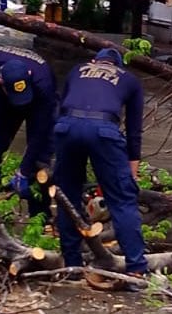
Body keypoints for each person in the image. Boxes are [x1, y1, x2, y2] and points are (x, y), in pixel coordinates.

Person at [52, 48, 147, 288]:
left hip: (66, 128)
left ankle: (71, 266)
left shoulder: (77, 70)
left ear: (94, 61)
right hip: (103, 130)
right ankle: (135, 271)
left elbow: (60, 106)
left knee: (67, 195)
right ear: (118, 66)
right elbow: (134, 132)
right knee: (122, 200)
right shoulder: (129, 80)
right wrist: (132, 172)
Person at [0, 46, 57, 217]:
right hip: (5, 102)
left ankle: (40, 218)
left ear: (29, 75)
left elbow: (39, 132)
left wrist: (24, 171)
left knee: (39, 163)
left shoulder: (44, 81)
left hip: (38, 100)